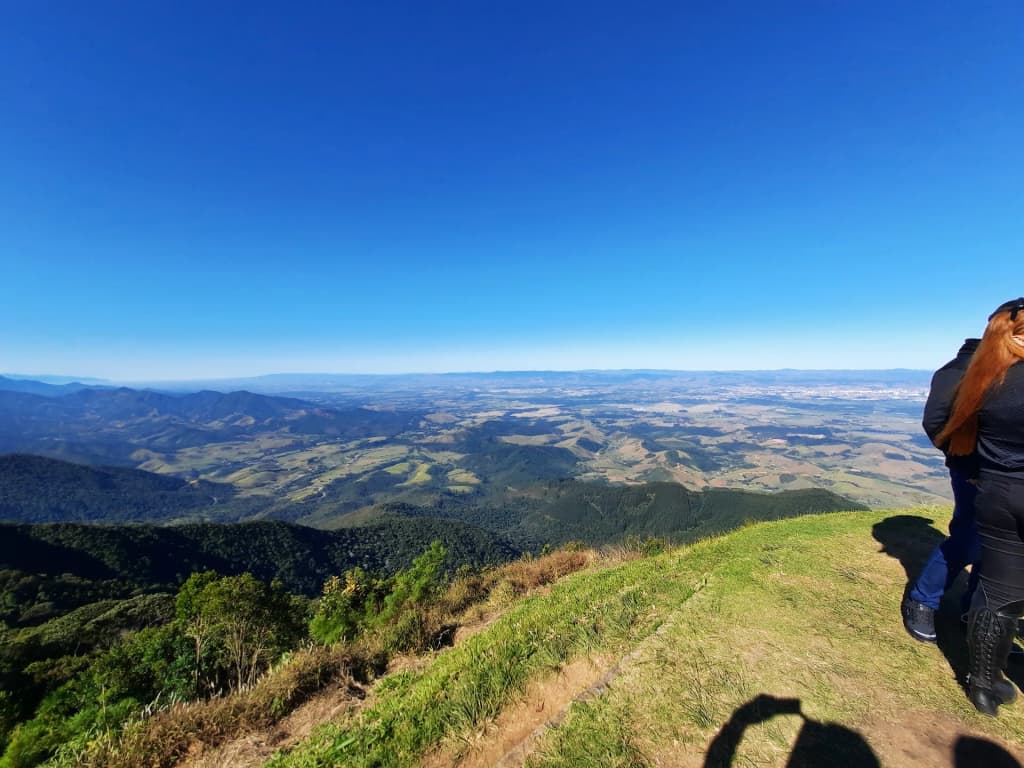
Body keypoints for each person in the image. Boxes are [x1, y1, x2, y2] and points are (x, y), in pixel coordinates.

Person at [934, 297, 1024, 716]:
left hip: (997, 495)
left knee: (997, 589)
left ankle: (984, 684)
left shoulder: (982, 383)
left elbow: (943, 425)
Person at [901, 338, 981, 642]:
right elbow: (935, 421)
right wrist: (965, 463)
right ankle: (923, 599)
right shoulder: (962, 368)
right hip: (977, 472)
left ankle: (977, 610)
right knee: (970, 537)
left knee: (1001, 548)